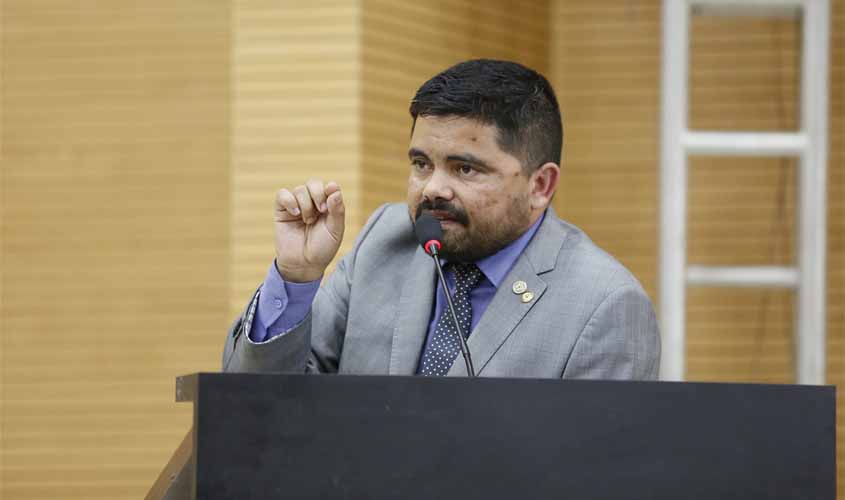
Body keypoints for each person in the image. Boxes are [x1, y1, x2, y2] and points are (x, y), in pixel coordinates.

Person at [222, 59, 660, 379]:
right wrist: (296, 277)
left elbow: (600, 473)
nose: (432, 189)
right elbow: (257, 406)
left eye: (465, 168)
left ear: (540, 186)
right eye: (421, 163)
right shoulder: (385, 242)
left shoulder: (605, 305)